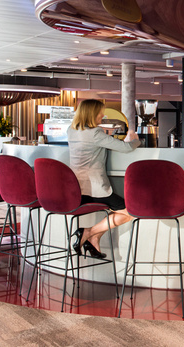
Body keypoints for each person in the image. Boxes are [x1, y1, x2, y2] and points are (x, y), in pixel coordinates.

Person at [67, 99, 140, 258]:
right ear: (92, 113)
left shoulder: (71, 130)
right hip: (94, 189)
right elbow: (127, 148)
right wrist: (135, 139)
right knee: (130, 212)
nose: (103, 115)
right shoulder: (95, 133)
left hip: (75, 189)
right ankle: (88, 232)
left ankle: (94, 238)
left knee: (125, 211)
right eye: (100, 112)